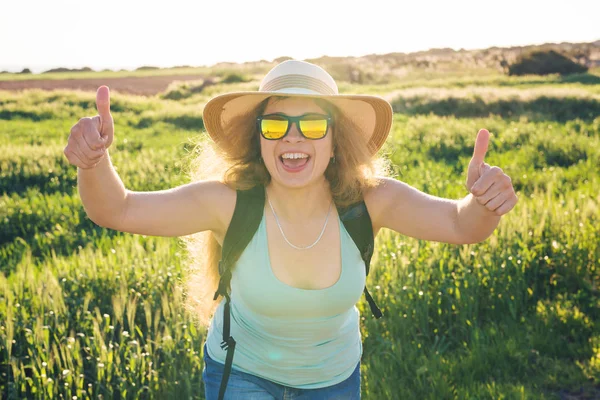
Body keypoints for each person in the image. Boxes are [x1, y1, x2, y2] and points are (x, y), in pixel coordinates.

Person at [64, 60, 518, 399]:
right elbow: (118, 210)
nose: (293, 137)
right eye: (276, 123)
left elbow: (462, 225)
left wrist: (485, 203)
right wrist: (94, 161)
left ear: (336, 139)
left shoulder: (372, 200)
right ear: (258, 137)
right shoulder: (228, 202)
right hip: (240, 374)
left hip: (335, 380)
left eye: (313, 124)